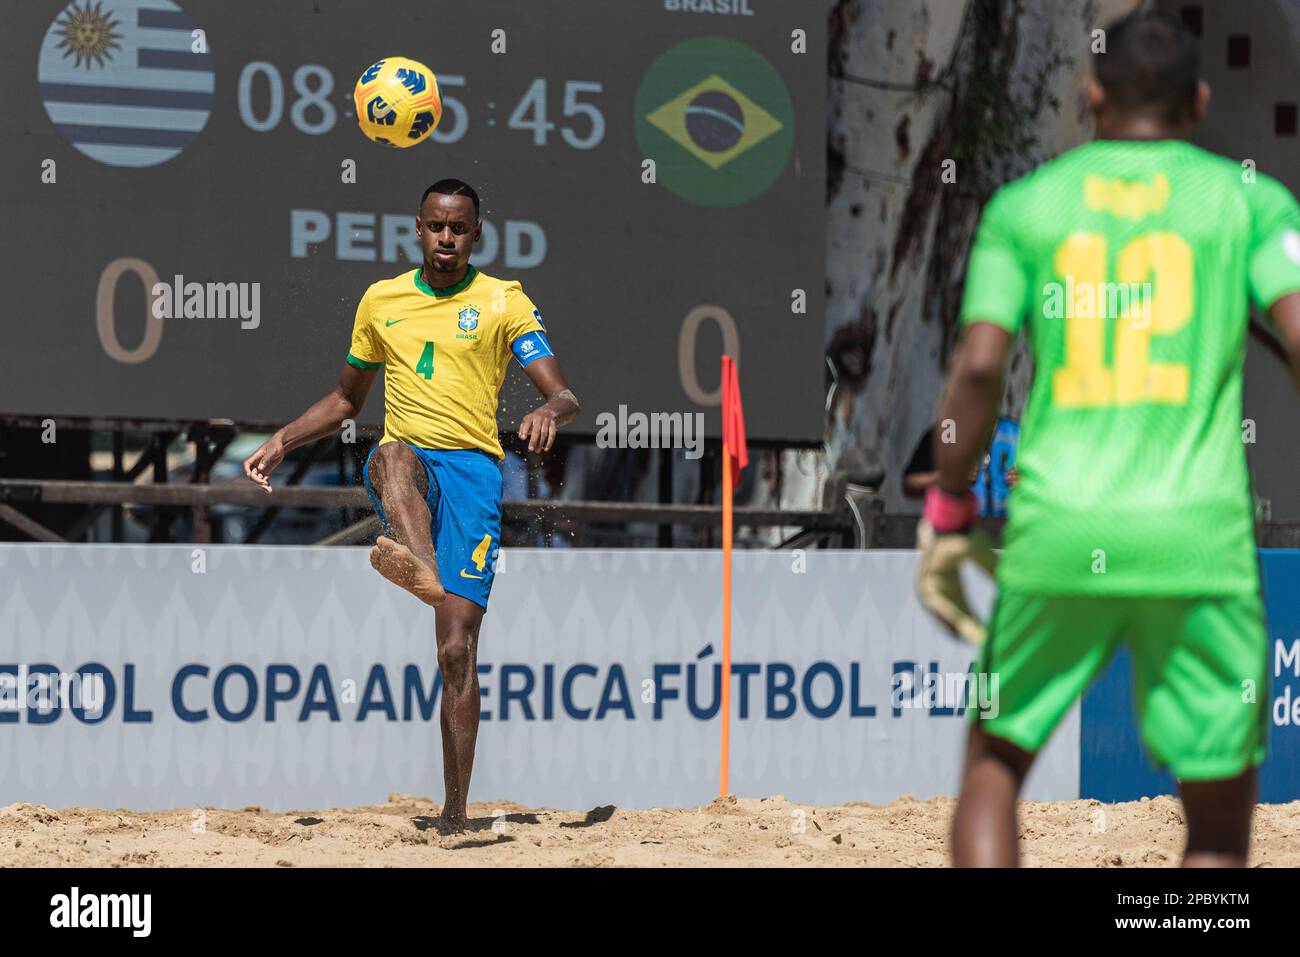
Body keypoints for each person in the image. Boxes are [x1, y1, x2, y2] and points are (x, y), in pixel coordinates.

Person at [915, 11, 1300, 866]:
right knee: (1218, 828)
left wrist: (948, 506)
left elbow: (978, 370)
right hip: (1199, 533)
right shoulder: (1248, 200)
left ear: (1091, 94)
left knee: (993, 765)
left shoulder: (1026, 208)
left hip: (1060, 526)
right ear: (1199, 103)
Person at [241, 179, 580, 831]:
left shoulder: (504, 301)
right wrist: (281, 440)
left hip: (475, 477)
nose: (446, 238)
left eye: (458, 228)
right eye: (435, 226)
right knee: (393, 454)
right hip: (411, 467)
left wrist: (546, 409)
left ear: (476, 234)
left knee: (456, 648)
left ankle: (455, 811)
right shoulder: (382, 300)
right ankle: (420, 560)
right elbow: (346, 401)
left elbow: (565, 394)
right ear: (418, 229)